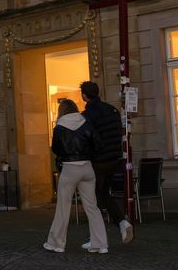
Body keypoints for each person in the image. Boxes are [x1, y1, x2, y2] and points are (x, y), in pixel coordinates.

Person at [44, 99, 109, 254]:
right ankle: (100, 244)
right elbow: (99, 145)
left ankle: (57, 243)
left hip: (69, 168)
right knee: (92, 207)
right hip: (87, 167)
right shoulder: (86, 123)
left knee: (63, 207)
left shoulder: (59, 127)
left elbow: (56, 149)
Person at [80, 81, 134, 245]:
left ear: (84, 95)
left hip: (98, 161)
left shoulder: (88, 115)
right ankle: (122, 223)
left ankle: (96, 237)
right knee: (103, 193)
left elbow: (88, 139)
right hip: (114, 159)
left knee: (91, 199)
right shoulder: (112, 110)